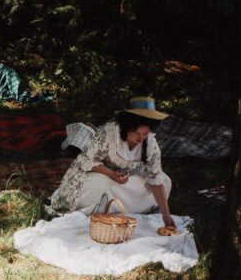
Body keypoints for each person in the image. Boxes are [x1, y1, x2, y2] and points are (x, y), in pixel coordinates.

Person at [50, 96, 175, 229]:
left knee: (165, 181)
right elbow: (88, 161)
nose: (140, 138)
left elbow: (155, 178)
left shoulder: (150, 144)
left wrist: (166, 214)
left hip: (123, 180)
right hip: (98, 175)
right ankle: (102, 209)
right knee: (102, 183)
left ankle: (119, 209)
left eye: (145, 134)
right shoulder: (108, 134)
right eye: (136, 133)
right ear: (127, 127)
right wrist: (110, 173)